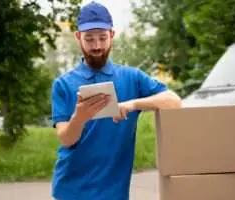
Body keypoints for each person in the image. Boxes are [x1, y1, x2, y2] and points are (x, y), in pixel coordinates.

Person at [50, 1, 182, 200]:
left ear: (112, 35)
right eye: (89, 39)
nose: (97, 46)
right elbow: (66, 139)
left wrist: (132, 104)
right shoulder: (63, 84)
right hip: (70, 191)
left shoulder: (132, 78)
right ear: (78, 37)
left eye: (102, 38)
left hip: (114, 193)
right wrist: (80, 117)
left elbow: (174, 101)